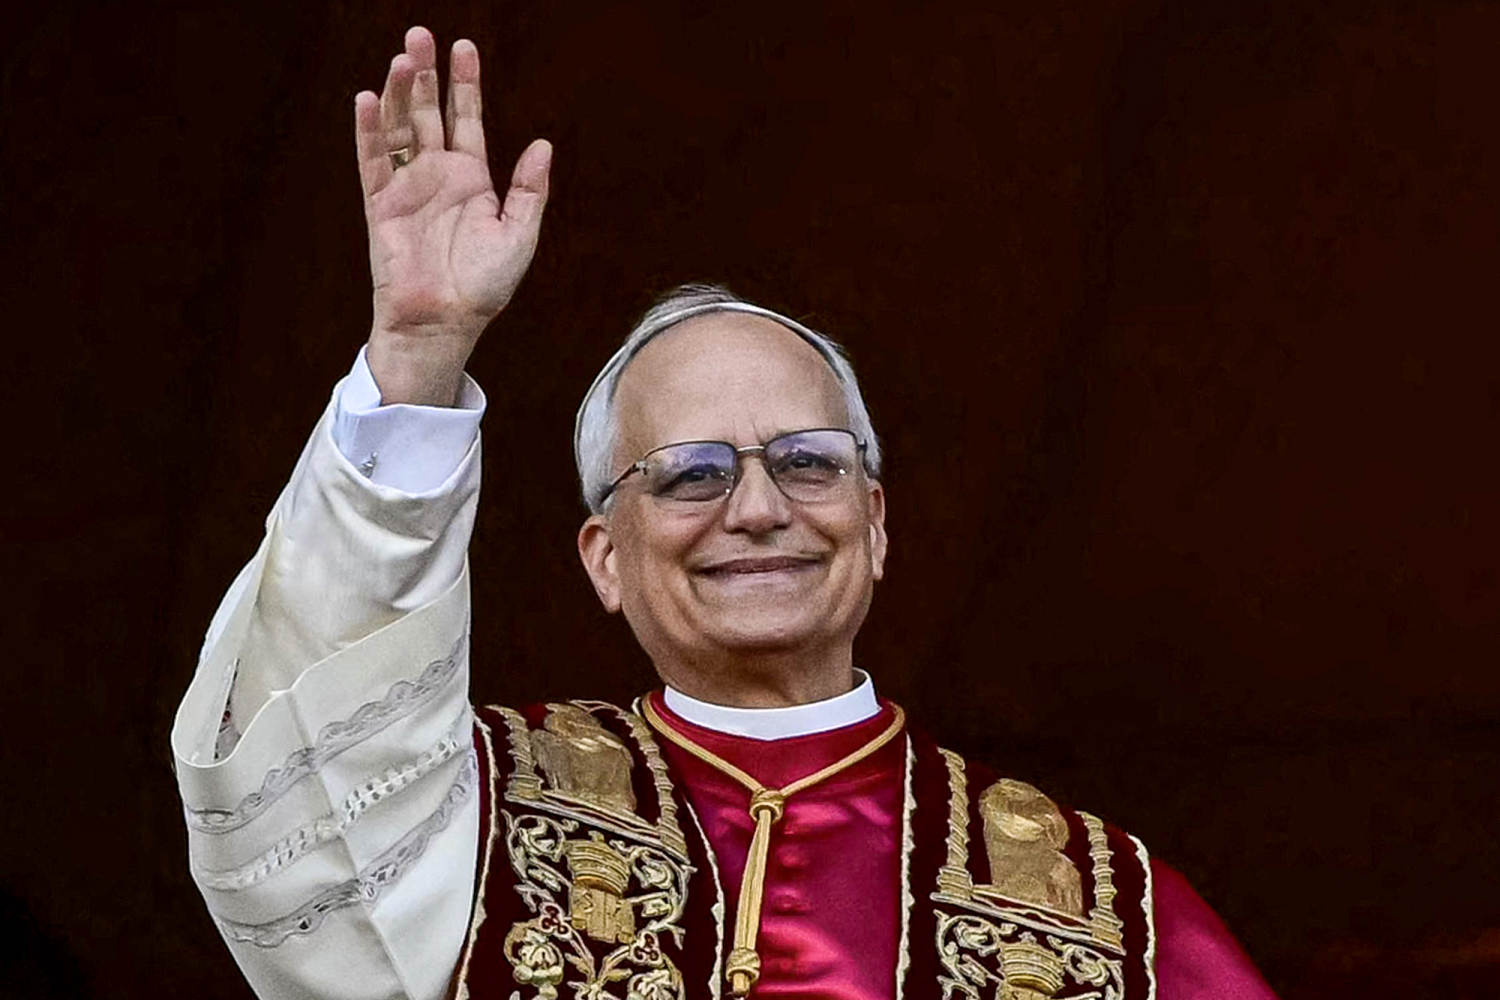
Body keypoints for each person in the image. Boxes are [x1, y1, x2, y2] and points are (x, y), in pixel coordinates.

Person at [171, 25, 1278, 1000]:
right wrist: (415, 356)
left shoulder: (1103, 909)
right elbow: (290, 799)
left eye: (806, 461)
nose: (757, 509)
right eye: (692, 472)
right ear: (604, 554)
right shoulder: (471, 821)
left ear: (876, 519)